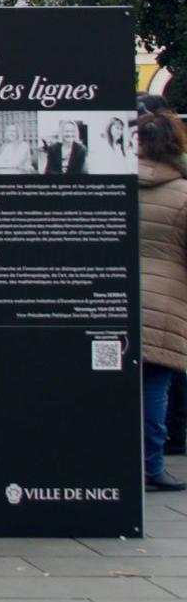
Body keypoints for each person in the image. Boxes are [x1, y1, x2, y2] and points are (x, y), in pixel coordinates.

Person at [138, 111, 187, 491]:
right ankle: (152, 465)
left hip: (115, 296)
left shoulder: (117, 181)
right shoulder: (183, 194)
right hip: (166, 299)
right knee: (155, 384)